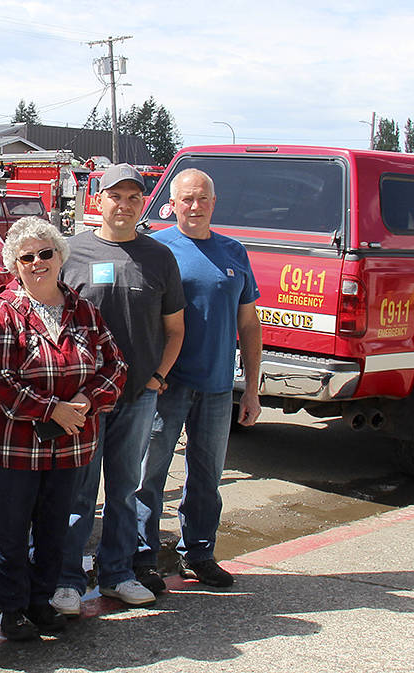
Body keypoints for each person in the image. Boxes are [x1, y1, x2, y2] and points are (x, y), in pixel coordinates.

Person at [0, 216, 126, 641]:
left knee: (54, 528)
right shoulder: (3, 313)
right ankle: (14, 610)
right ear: (14, 265)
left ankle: (41, 603)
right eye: (27, 257)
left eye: (46, 253)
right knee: (11, 532)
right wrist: (53, 410)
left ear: (60, 257)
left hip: (70, 446)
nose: (38, 262)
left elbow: (116, 366)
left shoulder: (86, 311)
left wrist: (86, 401)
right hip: (14, 445)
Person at [53, 164, 187, 612]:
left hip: (138, 397)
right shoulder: (70, 253)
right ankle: (68, 579)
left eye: (133, 197)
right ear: (99, 199)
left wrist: (156, 378)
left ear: (142, 203)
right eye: (116, 196)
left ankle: (118, 573)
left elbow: (175, 329)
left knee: (125, 488)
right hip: (84, 401)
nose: (124, 205)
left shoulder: (159, 257)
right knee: (79, 492)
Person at [137, 168, 263, 589]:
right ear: (171, 204)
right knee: (147, 475)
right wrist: (152, 374)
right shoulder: (156, 248)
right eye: (186, 199)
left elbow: (249, 324)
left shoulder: (234, 252)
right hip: (168, 385)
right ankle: (142, 558)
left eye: (203, 199)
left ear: (214, 202)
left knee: (207, 475)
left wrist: (252, 389)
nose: (195, 206)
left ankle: (200, 553)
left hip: (216, 386)